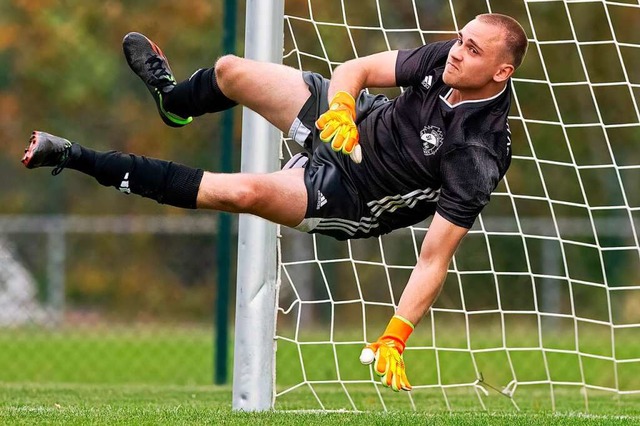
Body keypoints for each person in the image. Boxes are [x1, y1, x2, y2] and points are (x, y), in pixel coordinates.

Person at [21, 13, 528, 392]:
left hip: (354, 197)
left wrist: (396, 334)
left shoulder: (478, 152)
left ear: (500, 73)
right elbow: (355, 68)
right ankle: (172, 103)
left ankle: (74, 155)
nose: (458, 53)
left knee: (238, 191)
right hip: (351, 126)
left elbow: (434, 256)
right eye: (460, 40)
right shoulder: (447, 58)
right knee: (231, 70)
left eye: (473, 50)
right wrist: (344, 107)